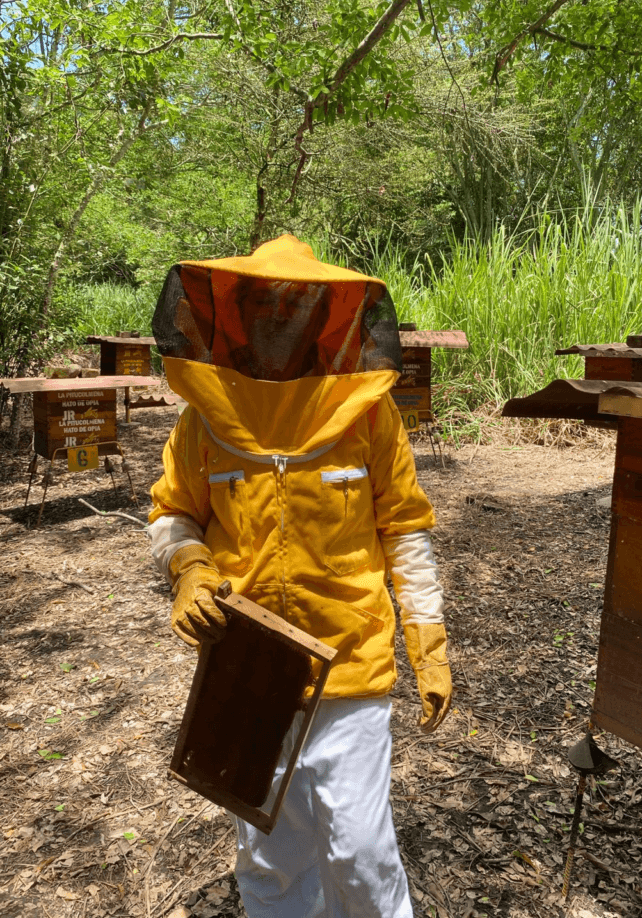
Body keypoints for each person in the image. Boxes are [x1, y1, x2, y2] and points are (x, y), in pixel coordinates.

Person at [147, 233, 452, 918]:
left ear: (325, 317)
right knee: (269, 857)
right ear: (236, 316)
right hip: (248, 668)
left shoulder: (367, 416)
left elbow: (405, 531)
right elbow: (172, 514)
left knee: (361, 853)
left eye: (295, 307)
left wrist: (428, 645)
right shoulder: (204, 421)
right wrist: (188, 569)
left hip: (351, 661)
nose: (279, 320)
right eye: (264, 306)